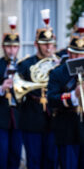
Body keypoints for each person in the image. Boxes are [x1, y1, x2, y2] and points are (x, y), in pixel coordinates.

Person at [17, 11, 58, 169]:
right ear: (36, 44)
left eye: (51, 43)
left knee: (51, 161)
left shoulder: (58, 65)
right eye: (44, 43)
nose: (49, 47)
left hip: (53, 118)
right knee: (33, 161)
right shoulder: (26, 65)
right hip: (32, 117)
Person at [0, 19, 22, 169]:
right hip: (0, 117)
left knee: (16, 156)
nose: (11, 50)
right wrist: (1, 88)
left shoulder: (23, 65)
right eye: (8, 47)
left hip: (19, 118)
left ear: (18, 48)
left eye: (14, 47)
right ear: (3, 47)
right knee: (0, 156)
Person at [48, 31, 84, 169]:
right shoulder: (58, 72)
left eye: (81, 54)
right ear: (69, 53)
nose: (78, 58)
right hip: (67, 129)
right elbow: (52, 99)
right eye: (75, 53)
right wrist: (74, 95)